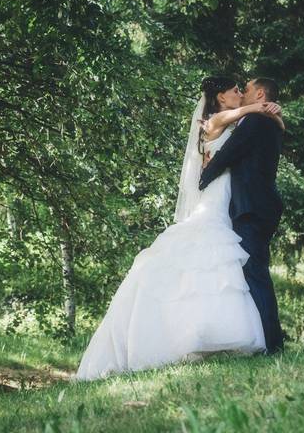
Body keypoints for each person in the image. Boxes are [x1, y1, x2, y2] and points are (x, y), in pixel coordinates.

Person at [75, 76, 283, 380]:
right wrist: (261, 108)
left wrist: (273, 115)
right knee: (207, 261)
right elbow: (234, 126)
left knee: (223, 269)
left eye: (245, 89)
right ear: (221, 98)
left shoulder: (243, 123)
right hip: (214, 197)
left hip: (229, 201)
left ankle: (214, 334)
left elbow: (253, 140)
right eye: (236, 90)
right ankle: (188, 336)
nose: (241, 93)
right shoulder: (214, 120)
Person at [199, 77, 285, 353]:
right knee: (251, 272)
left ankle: (272, 344)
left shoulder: (258, 121)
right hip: (257, 205)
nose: (242, 93)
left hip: (252, 207)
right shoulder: (259, 120)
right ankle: (263, 340)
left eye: (245, 90)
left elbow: (229, 154)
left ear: (259, 93)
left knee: (256, 273)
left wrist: (204, 178)